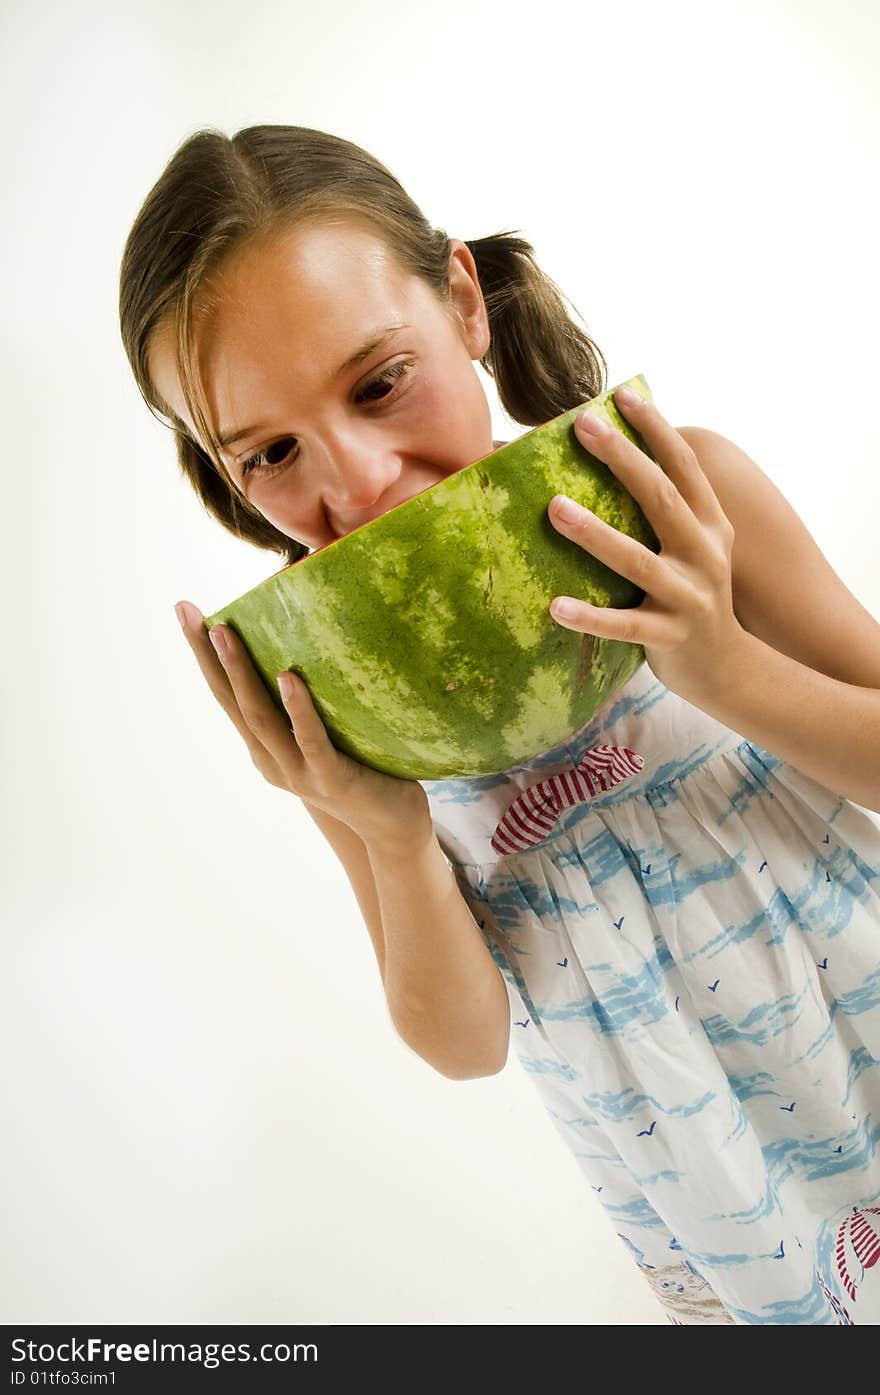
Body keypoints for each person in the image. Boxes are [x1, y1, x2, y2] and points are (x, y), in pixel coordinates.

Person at [119, 124, 880, 1326]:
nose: (359, 481)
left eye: (377, 382)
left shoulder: (677, 498)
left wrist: (724, 671)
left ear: (463, 299)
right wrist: (386, 833)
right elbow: (462, 1044)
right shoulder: (330, 700)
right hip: (717, 1193)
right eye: (270, 451)